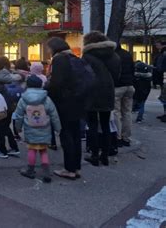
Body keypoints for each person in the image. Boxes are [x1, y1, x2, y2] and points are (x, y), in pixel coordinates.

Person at [45, 37, 85, 179]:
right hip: (77, 101)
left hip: (65, 103)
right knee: (75, 135)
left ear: (54, 47)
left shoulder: (59, 59)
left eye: (49, 47)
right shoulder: (72, 57)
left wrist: (47, 88)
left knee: (66, 135)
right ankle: (76, 167)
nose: (48, 50)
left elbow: (57, 83)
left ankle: (69, 169)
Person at [82, 31, 121, 167]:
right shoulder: (114, 55)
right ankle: (105, 155)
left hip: (91, 93)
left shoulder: (87, 56)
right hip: (107, 92)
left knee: (92, 125)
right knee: (106, 125)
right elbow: (117, 75)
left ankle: (94, 154)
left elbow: (84, 76)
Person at [13, 75, 61, 183]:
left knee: (32, 149)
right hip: (45, 127)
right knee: (43, 150)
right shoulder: (46, 98)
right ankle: (46, 172)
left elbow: (19, 115)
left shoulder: (23, 99)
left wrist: (18, 128)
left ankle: (30, 170)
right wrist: (58, 128)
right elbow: (54, 114)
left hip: (30, 128)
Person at [0, 56, 20, 159]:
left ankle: (2, 150)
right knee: (6, 127)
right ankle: (14, 148)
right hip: (10, 105)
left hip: (0, 107)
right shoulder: (9, 76)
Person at [113, 45, 135, 147]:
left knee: (116, 113)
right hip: (129, 86)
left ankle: (118, 137)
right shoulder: (127, 54)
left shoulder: (113, 55)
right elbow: (132, 69)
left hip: (118, 86)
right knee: (127, 112)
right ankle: (126, 138)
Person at [153, 41, 166, 121]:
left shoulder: (163, 54)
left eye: (158, 45)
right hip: (163, 77)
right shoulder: (161, 53)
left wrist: (157, 69)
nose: (157, 46)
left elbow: (161, 67)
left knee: (164, 97)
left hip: (163, 78)